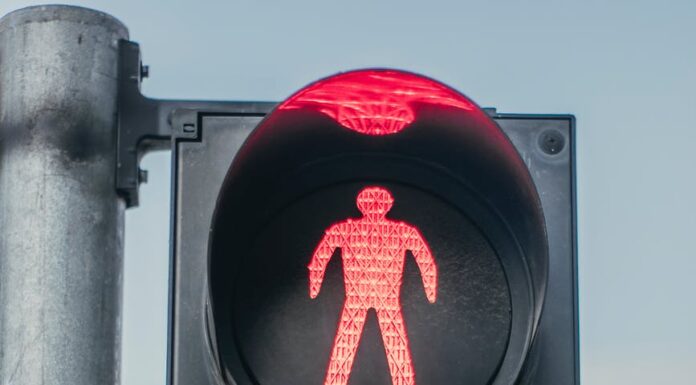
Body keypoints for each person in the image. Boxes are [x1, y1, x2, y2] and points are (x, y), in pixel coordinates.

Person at [308, 186, 438, 385]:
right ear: (388, 205)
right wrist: (429, 289)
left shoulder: (345, 230)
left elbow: (320, 258)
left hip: (367, 297)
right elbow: (425, 260)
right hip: (376, 297)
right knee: (395, 349)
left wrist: (315, 285)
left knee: (348, 345)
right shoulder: (402, 232)